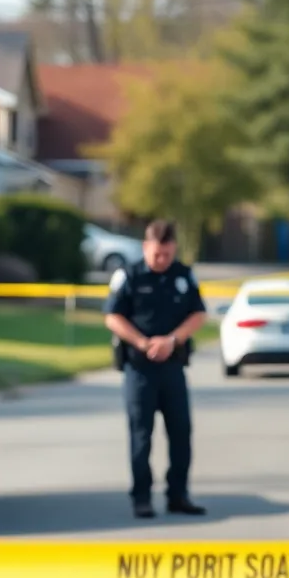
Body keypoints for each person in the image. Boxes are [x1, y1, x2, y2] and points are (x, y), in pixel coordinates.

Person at [103, 220, 209, 519]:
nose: (162, 260)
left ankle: (178, 495)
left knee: (181, 433)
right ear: (145, 248)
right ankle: (141, 497)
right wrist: (142, 342)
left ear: (174, 248)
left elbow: (199, 314)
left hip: (173, 367)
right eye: (156, 254)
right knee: (141, 435)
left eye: (167, 254)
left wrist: (172, 340)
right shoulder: (129, 275)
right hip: (139, 370)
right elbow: (112, 316)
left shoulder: (184, 275)